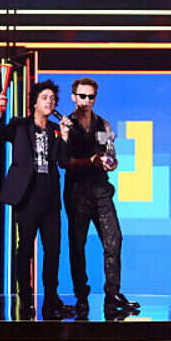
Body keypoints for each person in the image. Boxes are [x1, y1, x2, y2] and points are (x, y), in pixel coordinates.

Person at [0, 81, 75, 320]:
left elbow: (63, 162)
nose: (50, 102)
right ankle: (25, 297)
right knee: (25, 248)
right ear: (35, 102)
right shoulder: (19, 125)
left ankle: (51, 298)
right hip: (26, 195)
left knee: (53, 250)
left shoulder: (55, 129)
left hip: (50, 196)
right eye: (45, 98)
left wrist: (65, 136)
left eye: (53, 99)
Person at [62, 77, 137, 319]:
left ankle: (112, 293)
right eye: (82, 96)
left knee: (114, 240)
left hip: (101, 191)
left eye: (90, 97)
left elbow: (111, 154)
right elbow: (64, 161)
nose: (86, 101)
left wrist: (110, 162)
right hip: (77, 193)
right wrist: (90, 161)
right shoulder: (66, 124)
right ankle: (81, 296)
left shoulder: (103, 124)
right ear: (73, 97)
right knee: (77, 245)